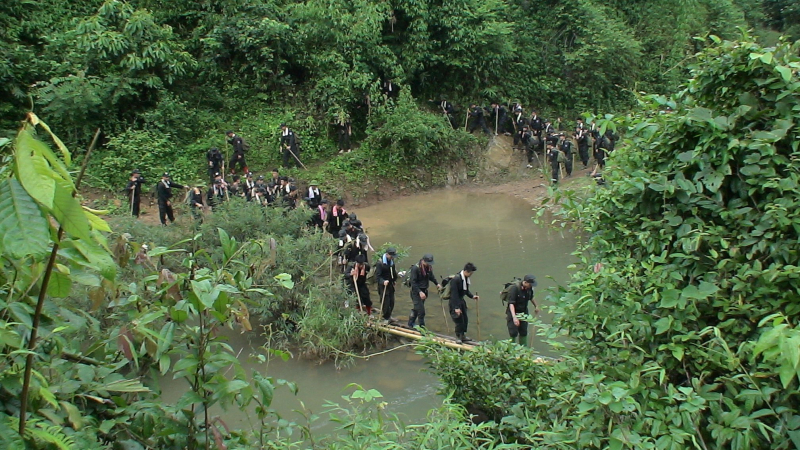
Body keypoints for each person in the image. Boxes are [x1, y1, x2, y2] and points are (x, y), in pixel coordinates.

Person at [407, 254, 441, 328]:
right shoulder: (415, 269)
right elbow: (413, 282)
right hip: (416, 292)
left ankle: (410, 323)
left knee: (417, 309)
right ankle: (423, 329)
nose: (429, 264)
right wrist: (420, 292)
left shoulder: (428, 267)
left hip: (424, 290)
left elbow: (431, 276)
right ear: (423, 261)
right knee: (421, 312)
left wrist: (437, 283)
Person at [449, 262, 479, 343]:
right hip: (455, 302)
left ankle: (463, 336)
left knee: (465, 319)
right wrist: (456, 308)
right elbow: (454, 294)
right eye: (471, 273)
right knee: (459, 320)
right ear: (466, 271)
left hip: (461, 301)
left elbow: (465, 291)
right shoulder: (456, 279)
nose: (471, 274)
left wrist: (472, 296)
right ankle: (458, 336)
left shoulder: (465, 279)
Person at [506, 274, 539, 346]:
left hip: (523, 312)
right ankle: (512, 350)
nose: (531, 286)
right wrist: (514, 317)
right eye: (530, 284)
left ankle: (524, 349)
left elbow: (531, 297)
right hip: (513, 312)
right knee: (513, 332)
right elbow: (511, 304)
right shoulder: (515, 289)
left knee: (523, 331)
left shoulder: (529, 289)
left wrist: (536, 306)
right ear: (525, 282)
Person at [376, 247, 399, 323]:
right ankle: (386, 318)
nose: (392, 258)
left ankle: (389, 316)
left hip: (390, 284)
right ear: (387, 254)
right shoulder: (380, 263)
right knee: (386, 302)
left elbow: (393, 273)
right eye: (391, 256)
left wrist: (394, 280)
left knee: (392, 302)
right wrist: (383, 281)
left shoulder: (391, 262)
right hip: (383, 286)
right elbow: (378, 277)